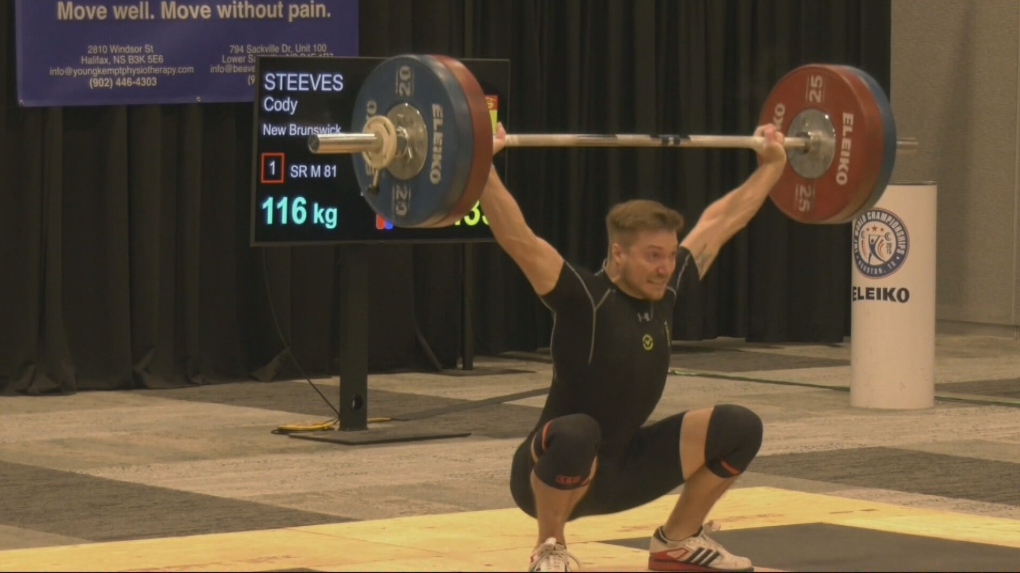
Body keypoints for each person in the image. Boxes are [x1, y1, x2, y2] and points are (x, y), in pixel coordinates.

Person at [478, 122, 788, 572]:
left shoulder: (667, 289)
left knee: (740, 427)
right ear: (618, 255)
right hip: (546, 472)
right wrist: (482, 168)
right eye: (653, 256)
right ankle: (550, 547)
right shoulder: (584, 296)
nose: (666, 268)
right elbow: (517, 238)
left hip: (621, 472)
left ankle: (677, 540)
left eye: (669, 254)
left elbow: (722, 221)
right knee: (579, 430)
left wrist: (772, 168)